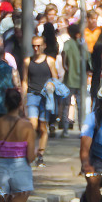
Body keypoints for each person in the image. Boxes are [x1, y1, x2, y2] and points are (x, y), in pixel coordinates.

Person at [24, 35, 67, 166]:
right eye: (33, 46)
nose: (36, 48)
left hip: (45, 97)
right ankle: (30, 152)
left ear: (44, 46)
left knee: (43, 127)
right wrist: (22, 98)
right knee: (32, 125)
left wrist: (51, 85)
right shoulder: (27, 61)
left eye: (38, 46)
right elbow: (24, 80)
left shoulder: (50, 61)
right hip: (32, 95)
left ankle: (40, 154)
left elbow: (55, 79)